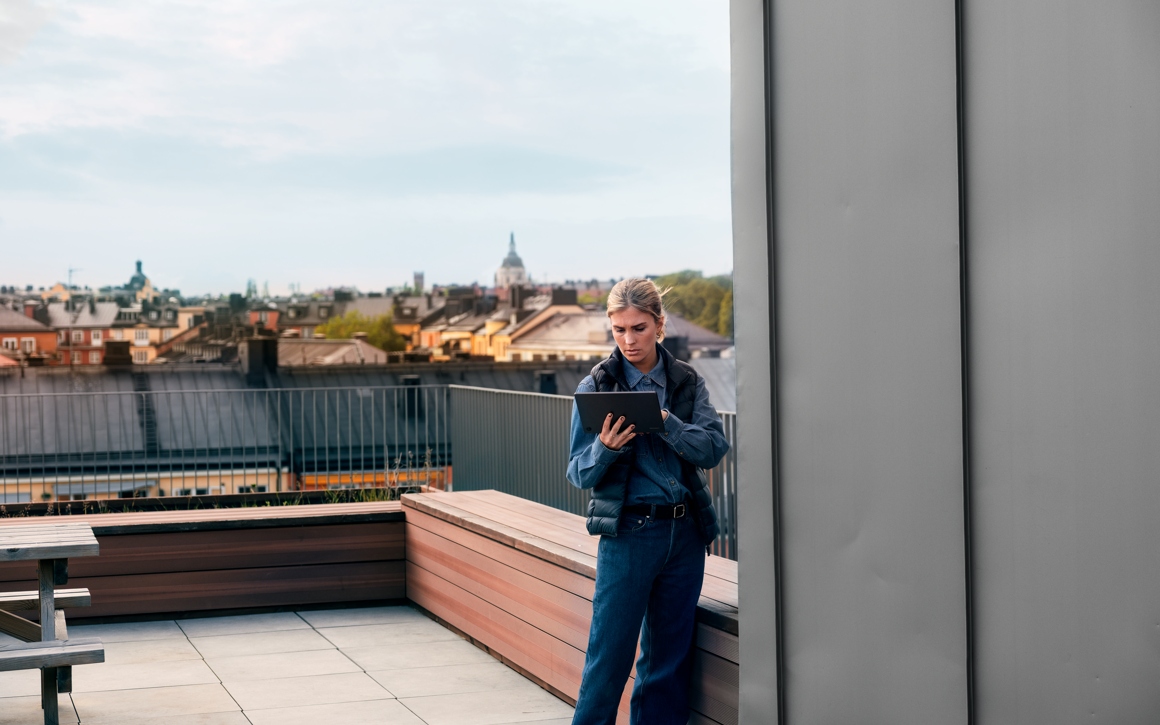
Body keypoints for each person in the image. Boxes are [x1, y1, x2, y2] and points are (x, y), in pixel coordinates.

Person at [567, 277, 730, 725]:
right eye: (618, 329)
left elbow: (714, 447)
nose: (628, 340)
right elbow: (578, 471)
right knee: (608, 660)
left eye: (638, 328)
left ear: (659, 325)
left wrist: (666, 423)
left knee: (667, 664)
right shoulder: (596, 385)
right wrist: (607, 446)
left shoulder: (685, 381)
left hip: (685, 536)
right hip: (629, 537)